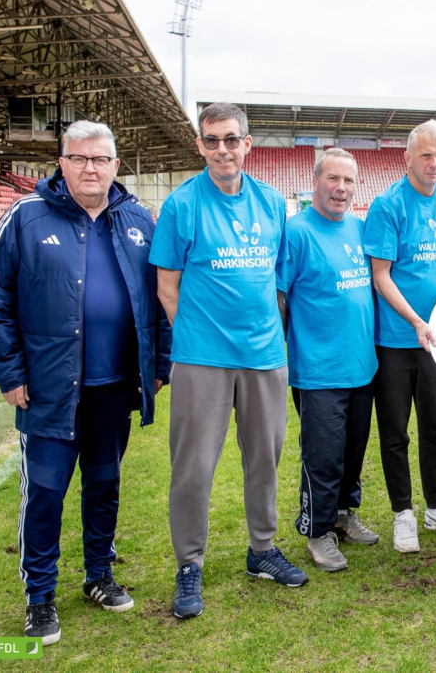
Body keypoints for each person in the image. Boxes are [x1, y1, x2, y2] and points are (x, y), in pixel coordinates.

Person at [0, 120, 171, 645]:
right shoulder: (26, 216)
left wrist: (159, 365)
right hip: (49, 391)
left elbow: (162, 297)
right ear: (61, 163)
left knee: (104, 485)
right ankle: (39, 596)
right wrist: (9, 373)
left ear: (115, 165)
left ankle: (98, 574)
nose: (90, 168)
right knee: (45, 493)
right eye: (79, 158)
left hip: (114, 389)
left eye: (100, 159)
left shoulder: (138, 220)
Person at [150, 102, 307, 619]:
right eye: (212, 140)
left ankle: (262, 550)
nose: (223, 149)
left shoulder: (271, 202)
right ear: (200, 145)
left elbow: (277, 281)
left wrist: (265, 334)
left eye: (231, 139)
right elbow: (167, 288)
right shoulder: (181, 204)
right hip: (203, 358)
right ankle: (189, 564)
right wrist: (199, 338)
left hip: (264, 356)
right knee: (193, 468)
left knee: (265, 459)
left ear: (247, 144)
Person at [363, 120, 436, 553]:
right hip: (396, 340)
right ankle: (403, 514)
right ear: (408, 157)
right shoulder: (387, 205)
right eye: (427, 155)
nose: (435, 163)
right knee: (395, 432)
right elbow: (381, 276)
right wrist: (416, 320)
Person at [276, 148, 379, 573]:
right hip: (318, 370)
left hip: (362, 365)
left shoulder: (359, 228)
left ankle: (343, 514)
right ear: (315, 181)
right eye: (333, 179)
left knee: (353, 451)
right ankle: (317, 530)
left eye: (348, 180)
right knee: (322, 456)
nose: (341, 188)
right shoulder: (296, 232)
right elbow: (279, 298)